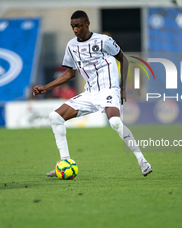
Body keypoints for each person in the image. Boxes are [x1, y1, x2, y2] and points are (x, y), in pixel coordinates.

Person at [33, 10, 152, 177]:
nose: (75, 29)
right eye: (72, 26)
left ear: (87, 24)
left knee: (115, 122)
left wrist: (122, 88)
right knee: (55, 117)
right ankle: (65, 162)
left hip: (109, 89)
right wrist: (46, 87)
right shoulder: (71, 46)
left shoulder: (104, 41)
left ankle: (142, 160)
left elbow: (123, 59)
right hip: (90, 93)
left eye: (78, 26)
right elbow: (70, 73)